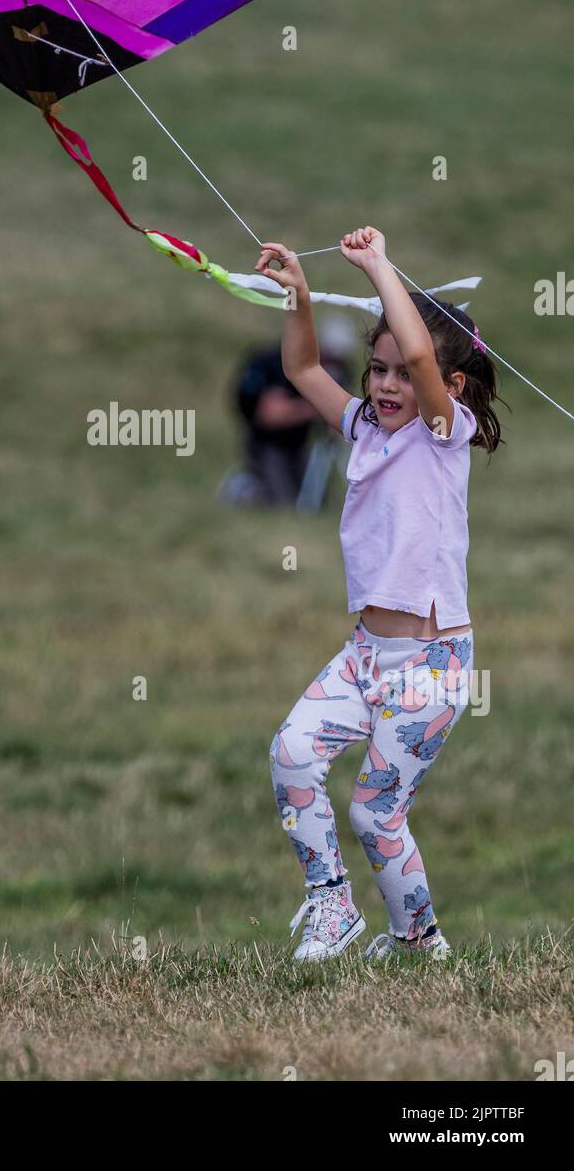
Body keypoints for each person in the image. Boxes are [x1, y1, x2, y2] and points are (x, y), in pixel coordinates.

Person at [257, 226, 501, 962]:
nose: (386, 385)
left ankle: (419, 942)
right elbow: (300, 367)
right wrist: (298, 293)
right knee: (291, 753)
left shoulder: (441, 430)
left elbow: (423, 351)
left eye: (399, 373)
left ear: (448, 389)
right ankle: (331, 906)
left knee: (375, 815)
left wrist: (378, 266)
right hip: (365, 655)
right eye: (376, 370)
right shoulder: (363, 427)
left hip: (428, 668)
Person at [221, 321, 354, 507]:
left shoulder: (338, 372)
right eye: (329, 358)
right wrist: (317, 406)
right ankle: (246, 485)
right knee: (282, 501)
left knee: (314, 499)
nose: (333, 367)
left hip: (300, 443)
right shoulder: (279, 363)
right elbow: (270, 414)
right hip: (269, 443)